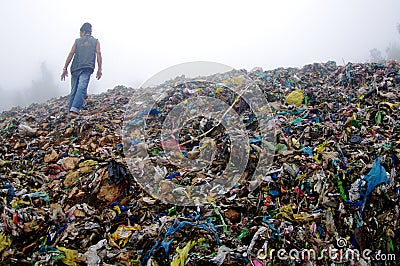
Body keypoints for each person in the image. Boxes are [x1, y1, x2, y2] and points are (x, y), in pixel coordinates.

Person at [61, 22, 102, 117]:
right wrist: (99, 69)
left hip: (75, 68)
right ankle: (74, 110)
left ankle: (70, 112)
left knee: (74, 90)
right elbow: (98, 53)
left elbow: (71, 53)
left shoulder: (77, 41)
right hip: (87, 67)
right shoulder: (95, 41)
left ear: (82, 31)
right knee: (82, 87)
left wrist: (65, 68)